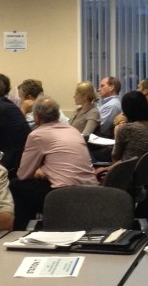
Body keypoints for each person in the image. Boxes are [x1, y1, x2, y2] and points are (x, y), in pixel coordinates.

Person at [10, 96, 98, 230]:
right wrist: (44, 169)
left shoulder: (37, 135)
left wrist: (38, 171)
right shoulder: (72, 130)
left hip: (63, 197)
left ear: (37, 116)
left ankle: (19, 231)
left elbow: (23, 174)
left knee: (16, 184)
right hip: (92, 193)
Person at [110, 90, 148, 162]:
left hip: (128, 171)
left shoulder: (126, 129)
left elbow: (115, 158)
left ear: (127, 110)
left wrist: (117, 133)